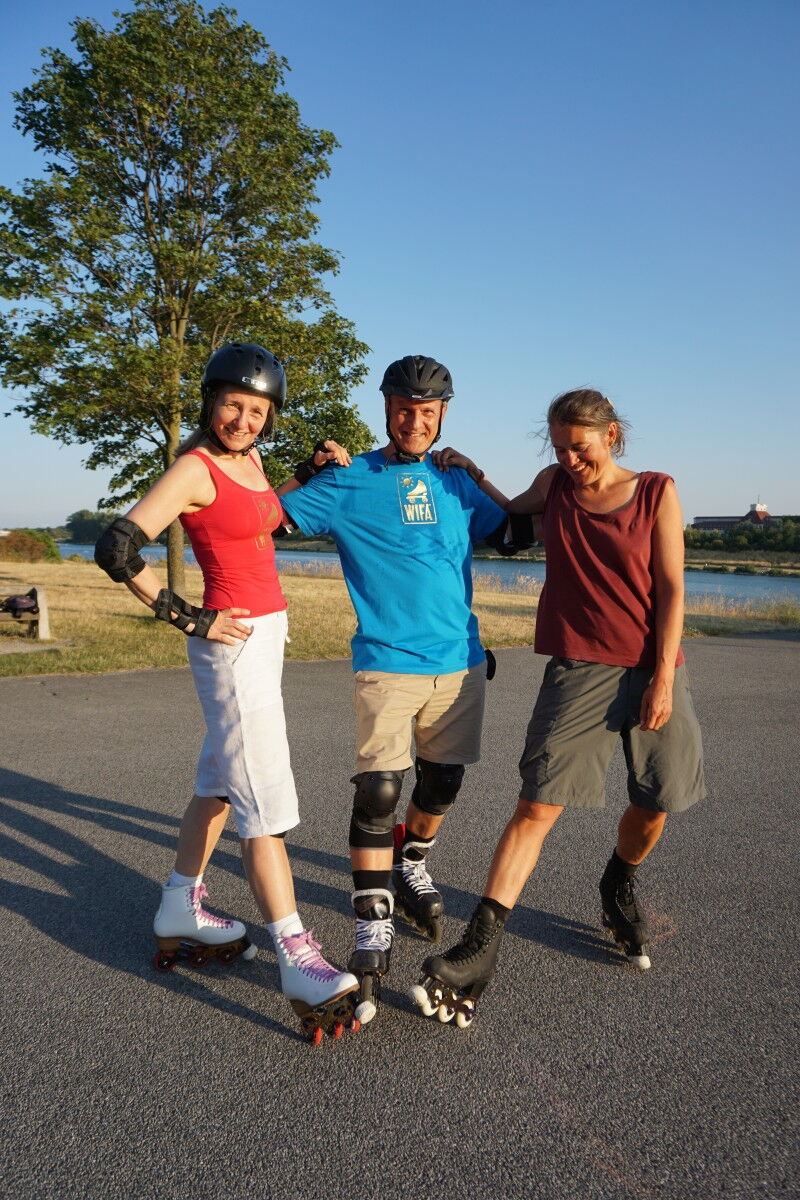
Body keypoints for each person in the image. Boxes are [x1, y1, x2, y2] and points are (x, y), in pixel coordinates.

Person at [410, 388, 706, 1028]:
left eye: (581, 447)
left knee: (656, 800)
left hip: (653, 665)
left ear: (611, 435)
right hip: (579, 665)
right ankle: (478, 947)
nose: (571, 460)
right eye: (560, 448)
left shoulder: (656, 491)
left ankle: (617, 881)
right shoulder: (556, 485)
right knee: (537, 802)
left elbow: (673, 588)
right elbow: (509, 511)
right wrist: (470, 470)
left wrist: (662, 677)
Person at [94, 341, 359, 1044]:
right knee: (262, 804)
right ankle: (297, 957)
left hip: (265, 637)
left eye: (257, 411)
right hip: (231, 647)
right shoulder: (193, 468)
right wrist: (191, 616)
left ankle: (180, 903)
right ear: (211, 401)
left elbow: (263, 518)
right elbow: (117, 547)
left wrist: (311, 473)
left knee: (218, 782)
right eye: (232, 405)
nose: (243, 420)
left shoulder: (250, 461)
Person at [277, 354, 533, 1024]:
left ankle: (410, 861)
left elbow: (517, 534)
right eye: (402, 409)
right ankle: (371, 927)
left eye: (426, 411)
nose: (413, 421)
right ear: (386, 409)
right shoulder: (349, 479)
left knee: (442, 784)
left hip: (460, 662)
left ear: (442, 415)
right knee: (380, 791)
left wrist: (477, 472)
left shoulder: (454, 481)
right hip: (388, 662)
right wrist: (306, 468)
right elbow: (264, 520)